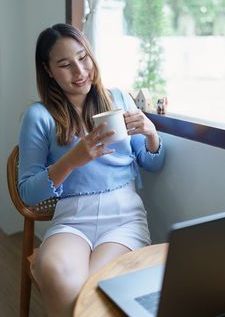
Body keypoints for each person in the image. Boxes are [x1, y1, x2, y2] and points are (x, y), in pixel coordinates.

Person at [18, 23, 165, 317]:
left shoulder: (118, 99)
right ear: (48, 70)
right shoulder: (39, 116)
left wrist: (150, 133)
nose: (79, 71)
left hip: (124, 217)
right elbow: (28, 193)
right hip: (73, 218)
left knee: (95, 290)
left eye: (83, 57)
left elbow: (152, 162)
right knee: (57, 273)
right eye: (64, 64)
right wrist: (72, 160)